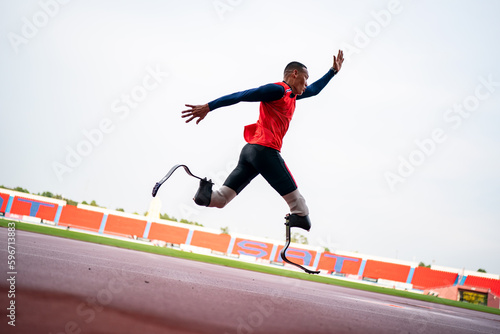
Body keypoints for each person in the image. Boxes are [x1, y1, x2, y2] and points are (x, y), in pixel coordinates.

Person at [181, 50, 344, 231]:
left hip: (250, 152)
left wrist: (333, 71)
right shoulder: (279, 90)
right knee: (301, 209)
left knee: (219, 200)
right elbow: (242, 95)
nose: (307, 84)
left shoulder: (292, 95)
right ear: (294, 74)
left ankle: (206, 193)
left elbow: (314, 90)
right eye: (305, 78)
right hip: (265, 151)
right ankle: (298, 217)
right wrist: (209, 107)